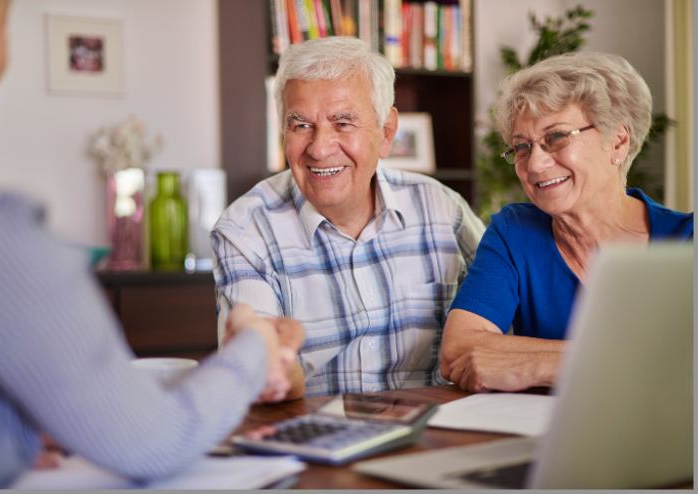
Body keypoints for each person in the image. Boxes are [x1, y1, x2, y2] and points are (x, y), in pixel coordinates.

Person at [0, 0, 303, 488]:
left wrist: (2, 434)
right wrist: (254, 344)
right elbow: (155, 439)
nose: (2, 55)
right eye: (3, 26)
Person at [212, 36, 484, 398]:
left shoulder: (443, 209)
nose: (320, 148)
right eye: (301, 125)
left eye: (343, 123)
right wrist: (273, 368)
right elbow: (265, 372)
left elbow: (501, 329)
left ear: (386, 133)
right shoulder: (244, 231)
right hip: (315, 442)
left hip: (435, 437)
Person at [439, 51, 694, 393]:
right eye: (522, 147)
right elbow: (458, 352)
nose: (535, 165)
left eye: (556, 138)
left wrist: (545, 362)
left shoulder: (686, 239)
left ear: (618, 141)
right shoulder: (515, 232)